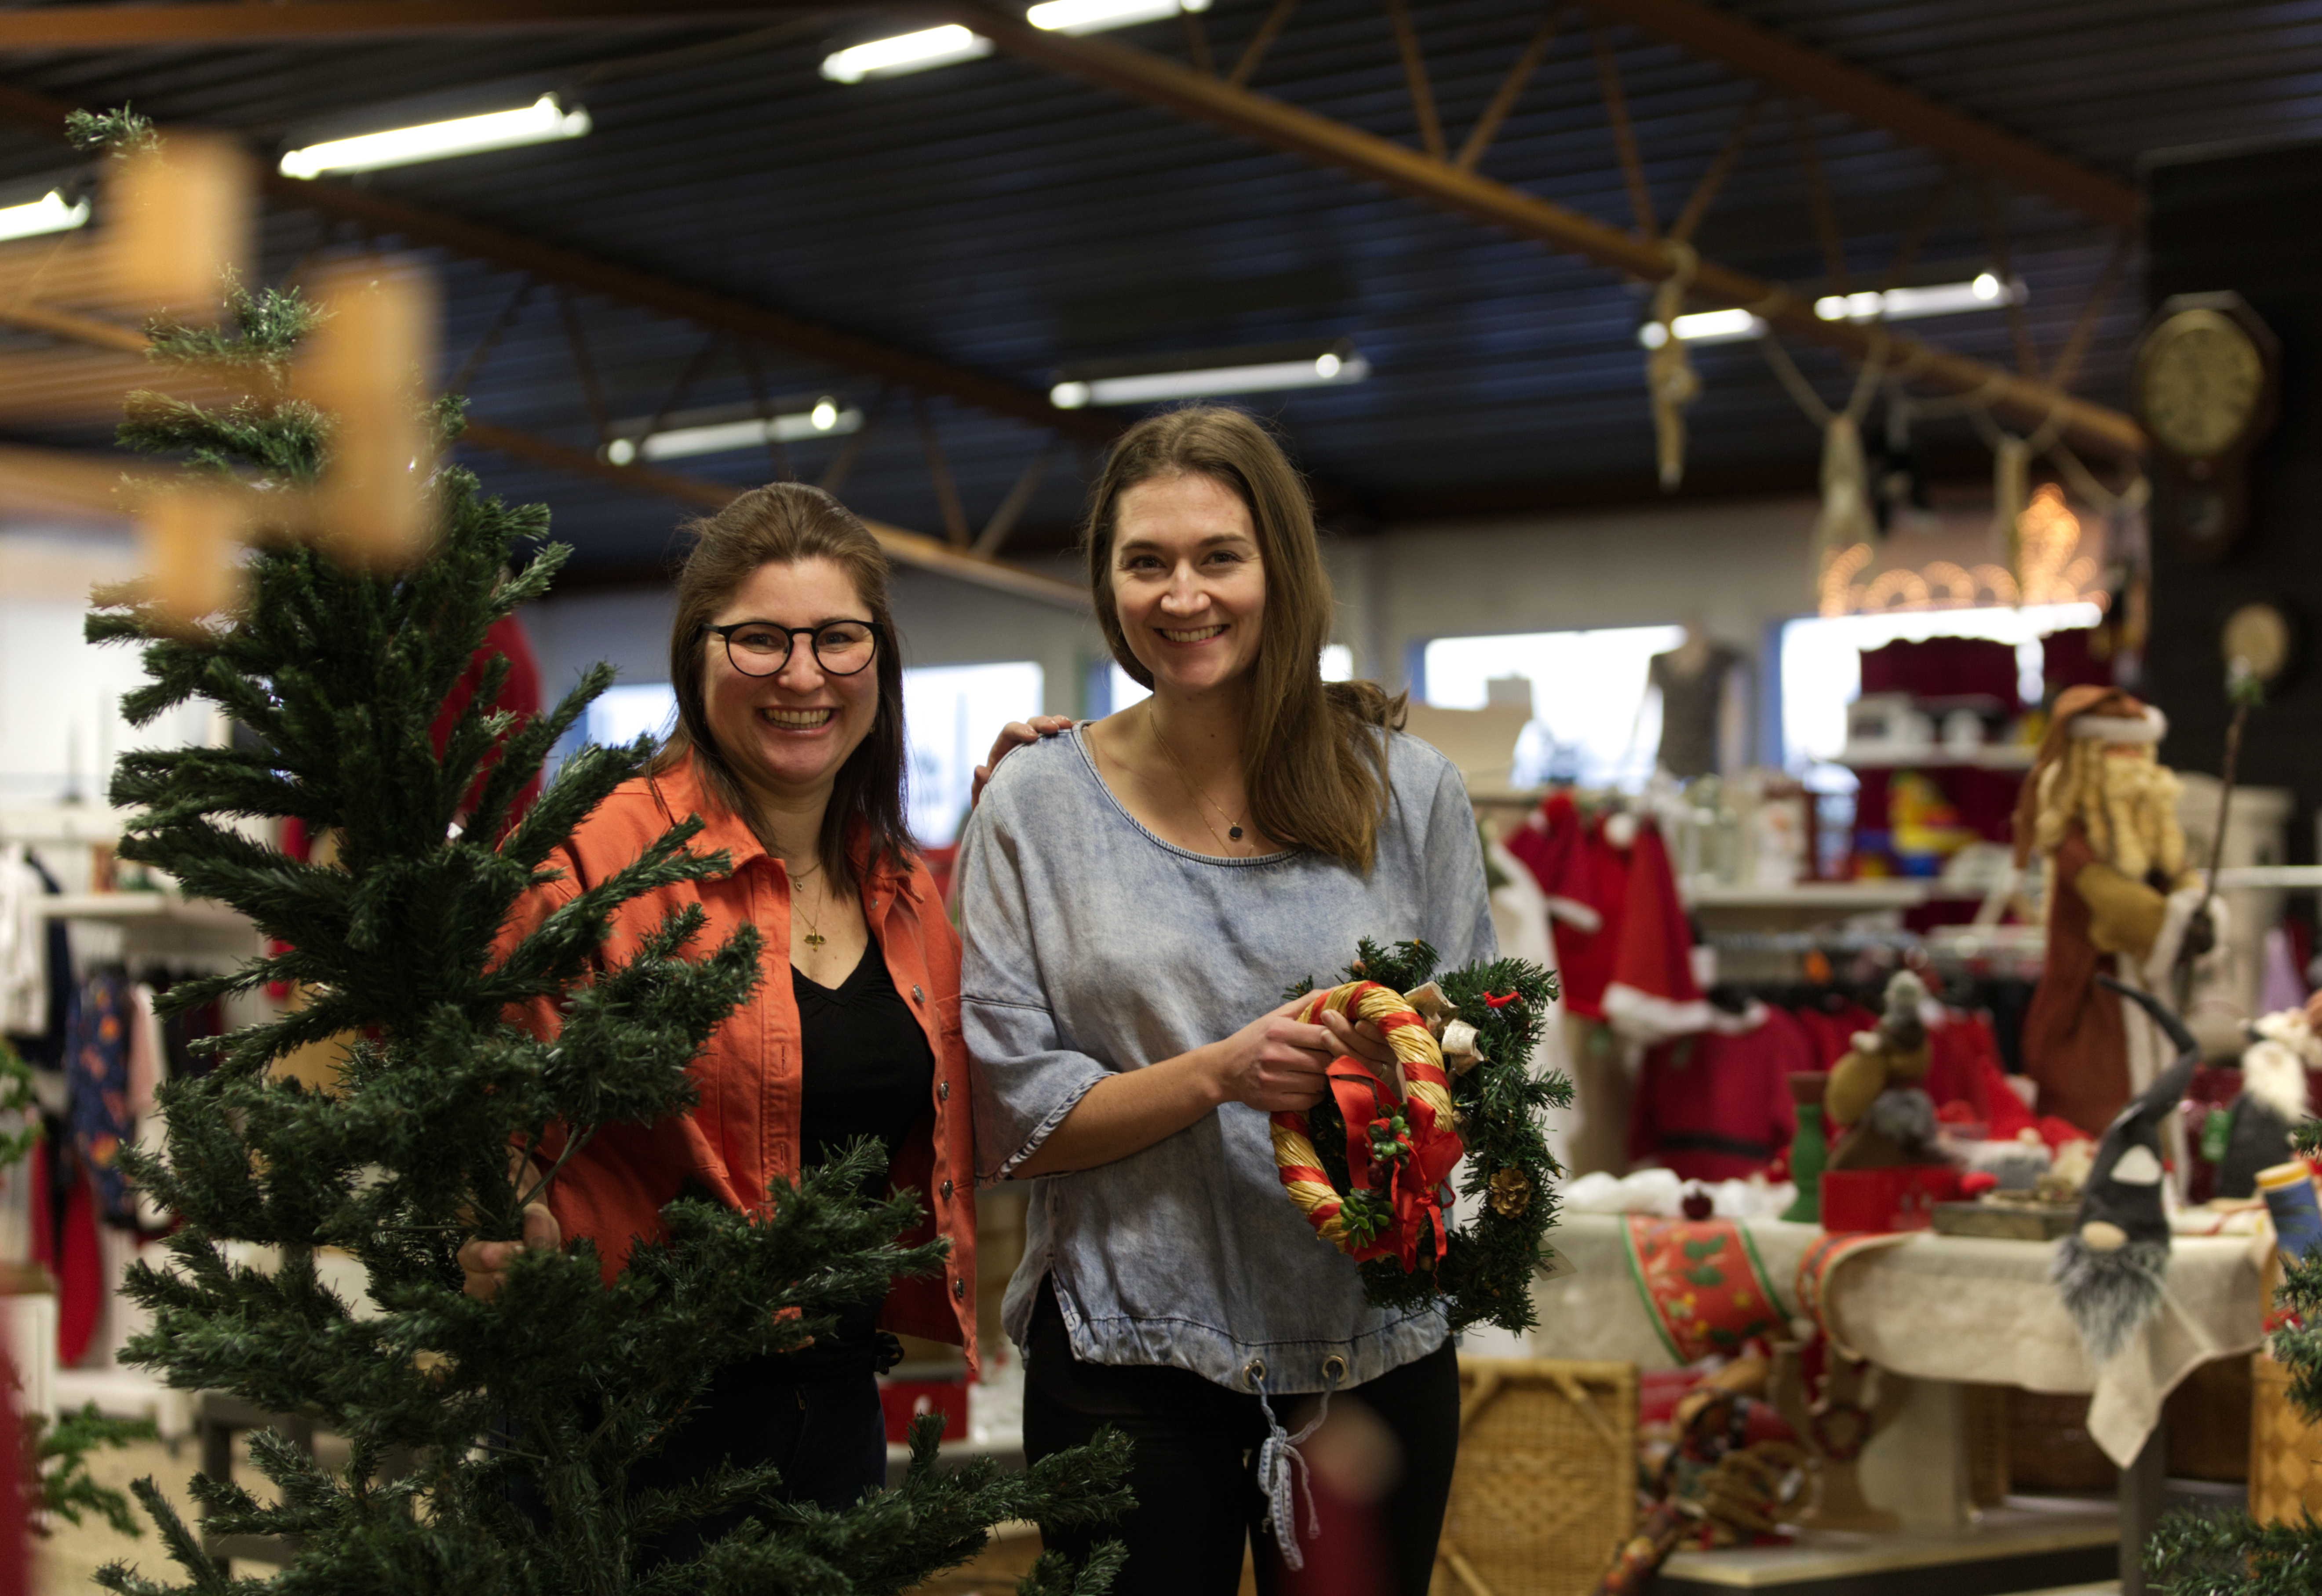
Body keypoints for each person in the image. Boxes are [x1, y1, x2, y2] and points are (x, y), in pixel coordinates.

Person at [959, 407, 1495, 1594]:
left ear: (1280, 570)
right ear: (1107, 582)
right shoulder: (1038, 807)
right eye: (1146, 561)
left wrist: (1391, 1067)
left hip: (1369, 1352)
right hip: (1121, 1351)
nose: (1181, 594)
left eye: (1219, 556)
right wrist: (1221, 1070)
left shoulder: (1405, 793)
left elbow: (1478, 1042)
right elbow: (1013, 1115)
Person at [461, 482, 977, 1548]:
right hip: (626, 1416)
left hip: (832, 1407)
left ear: (879, 659)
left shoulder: (901, 887)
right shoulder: (592, 860)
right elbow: (478, 1094)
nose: (802, 675)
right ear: (698, 658)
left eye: (839, 639)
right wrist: (497, 1224)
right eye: (758, 640)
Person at [2012, 684, 2215, 1138]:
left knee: (2157, 1119)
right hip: (2091, 1010)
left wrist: (2201, 914)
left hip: (2148, 1007)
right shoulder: (2072, 839)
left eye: (2136, 749)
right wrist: (2183, 920)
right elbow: (2126, 917)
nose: (2129, 762)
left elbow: (2182, 880)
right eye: (2114, 749)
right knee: (2100, 1126)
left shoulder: (2153, 836)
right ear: (2089, 756)